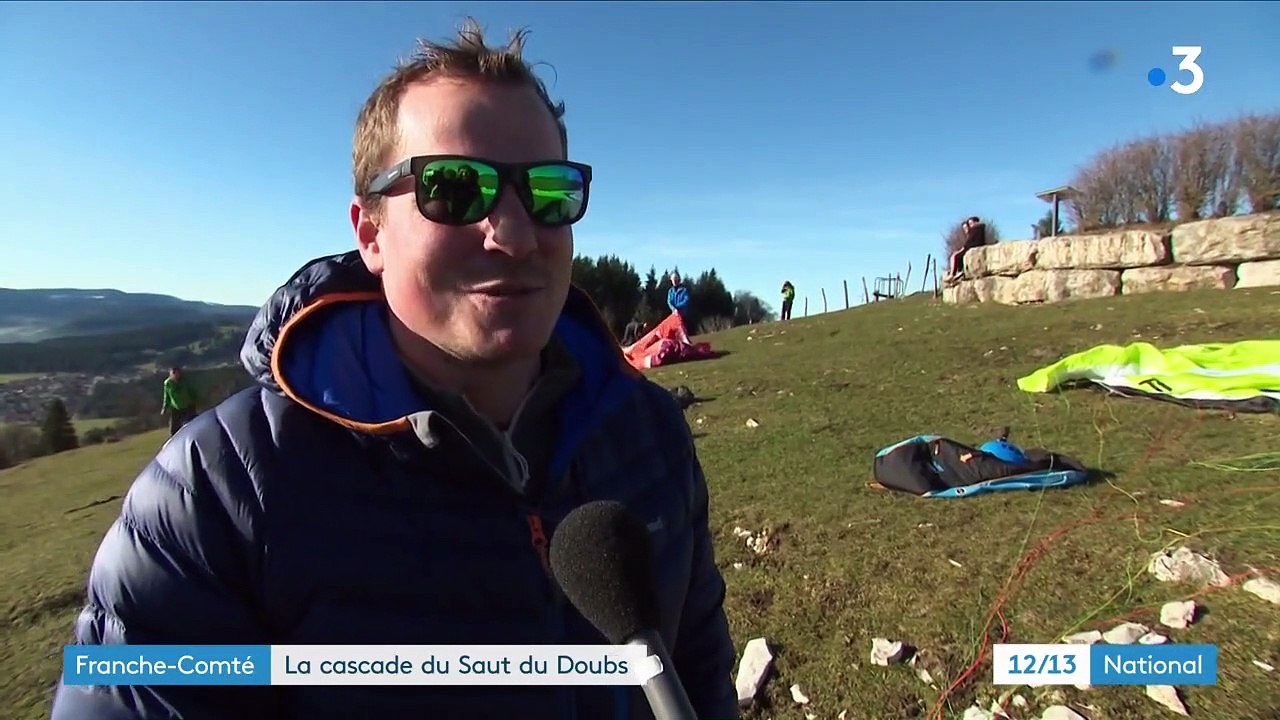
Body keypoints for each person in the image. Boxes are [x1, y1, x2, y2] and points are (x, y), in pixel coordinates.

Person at [51, 19, 737, 720]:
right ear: (370, 234)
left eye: (549, 191)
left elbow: (700, 676)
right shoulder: (216, 494)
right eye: (456, 189)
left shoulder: (651, 436)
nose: (514, 233)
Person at [159, 365, 199, 436]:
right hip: (175, 407)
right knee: (174, 428)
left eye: (177, 373)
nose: (176, 376)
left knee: (192, 423)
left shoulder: (185, 381)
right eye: (174, 374)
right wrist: (164, 408)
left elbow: (191, 391)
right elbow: (167, 396)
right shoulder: (168, 383)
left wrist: (196, 400)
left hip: (188, 405)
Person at [946, 215, 987, 283]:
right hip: (971, 248)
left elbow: (969, 243)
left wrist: (962, 249)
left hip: (974, 249)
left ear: (975, 222)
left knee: (955, 256)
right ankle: (956, 273)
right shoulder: (975, 231)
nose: (970, 226)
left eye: (971, 224)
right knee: (955, 256)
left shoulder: (977, 229)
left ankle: (953, 274)